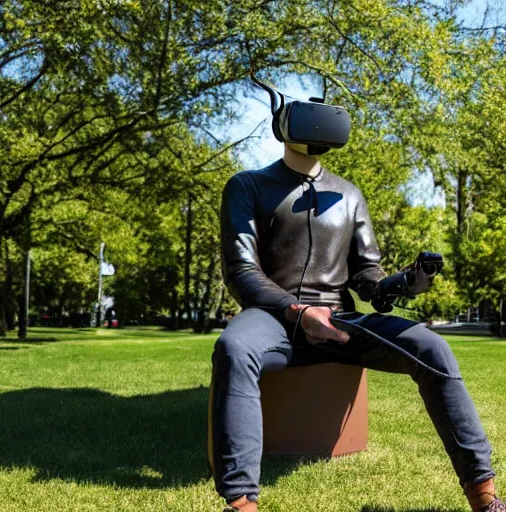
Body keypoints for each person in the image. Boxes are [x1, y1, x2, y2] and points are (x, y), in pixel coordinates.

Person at [208, 82, 503, 512]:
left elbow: (368, 278)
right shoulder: (247, 186)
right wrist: (297, 310)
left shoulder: (349, 195)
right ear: (284, 125)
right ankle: (240, 502)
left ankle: (484, 496)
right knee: (233, 348)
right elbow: (241, 271)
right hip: (273, 317)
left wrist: (407, 282)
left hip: (341, 320)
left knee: (432, 347)